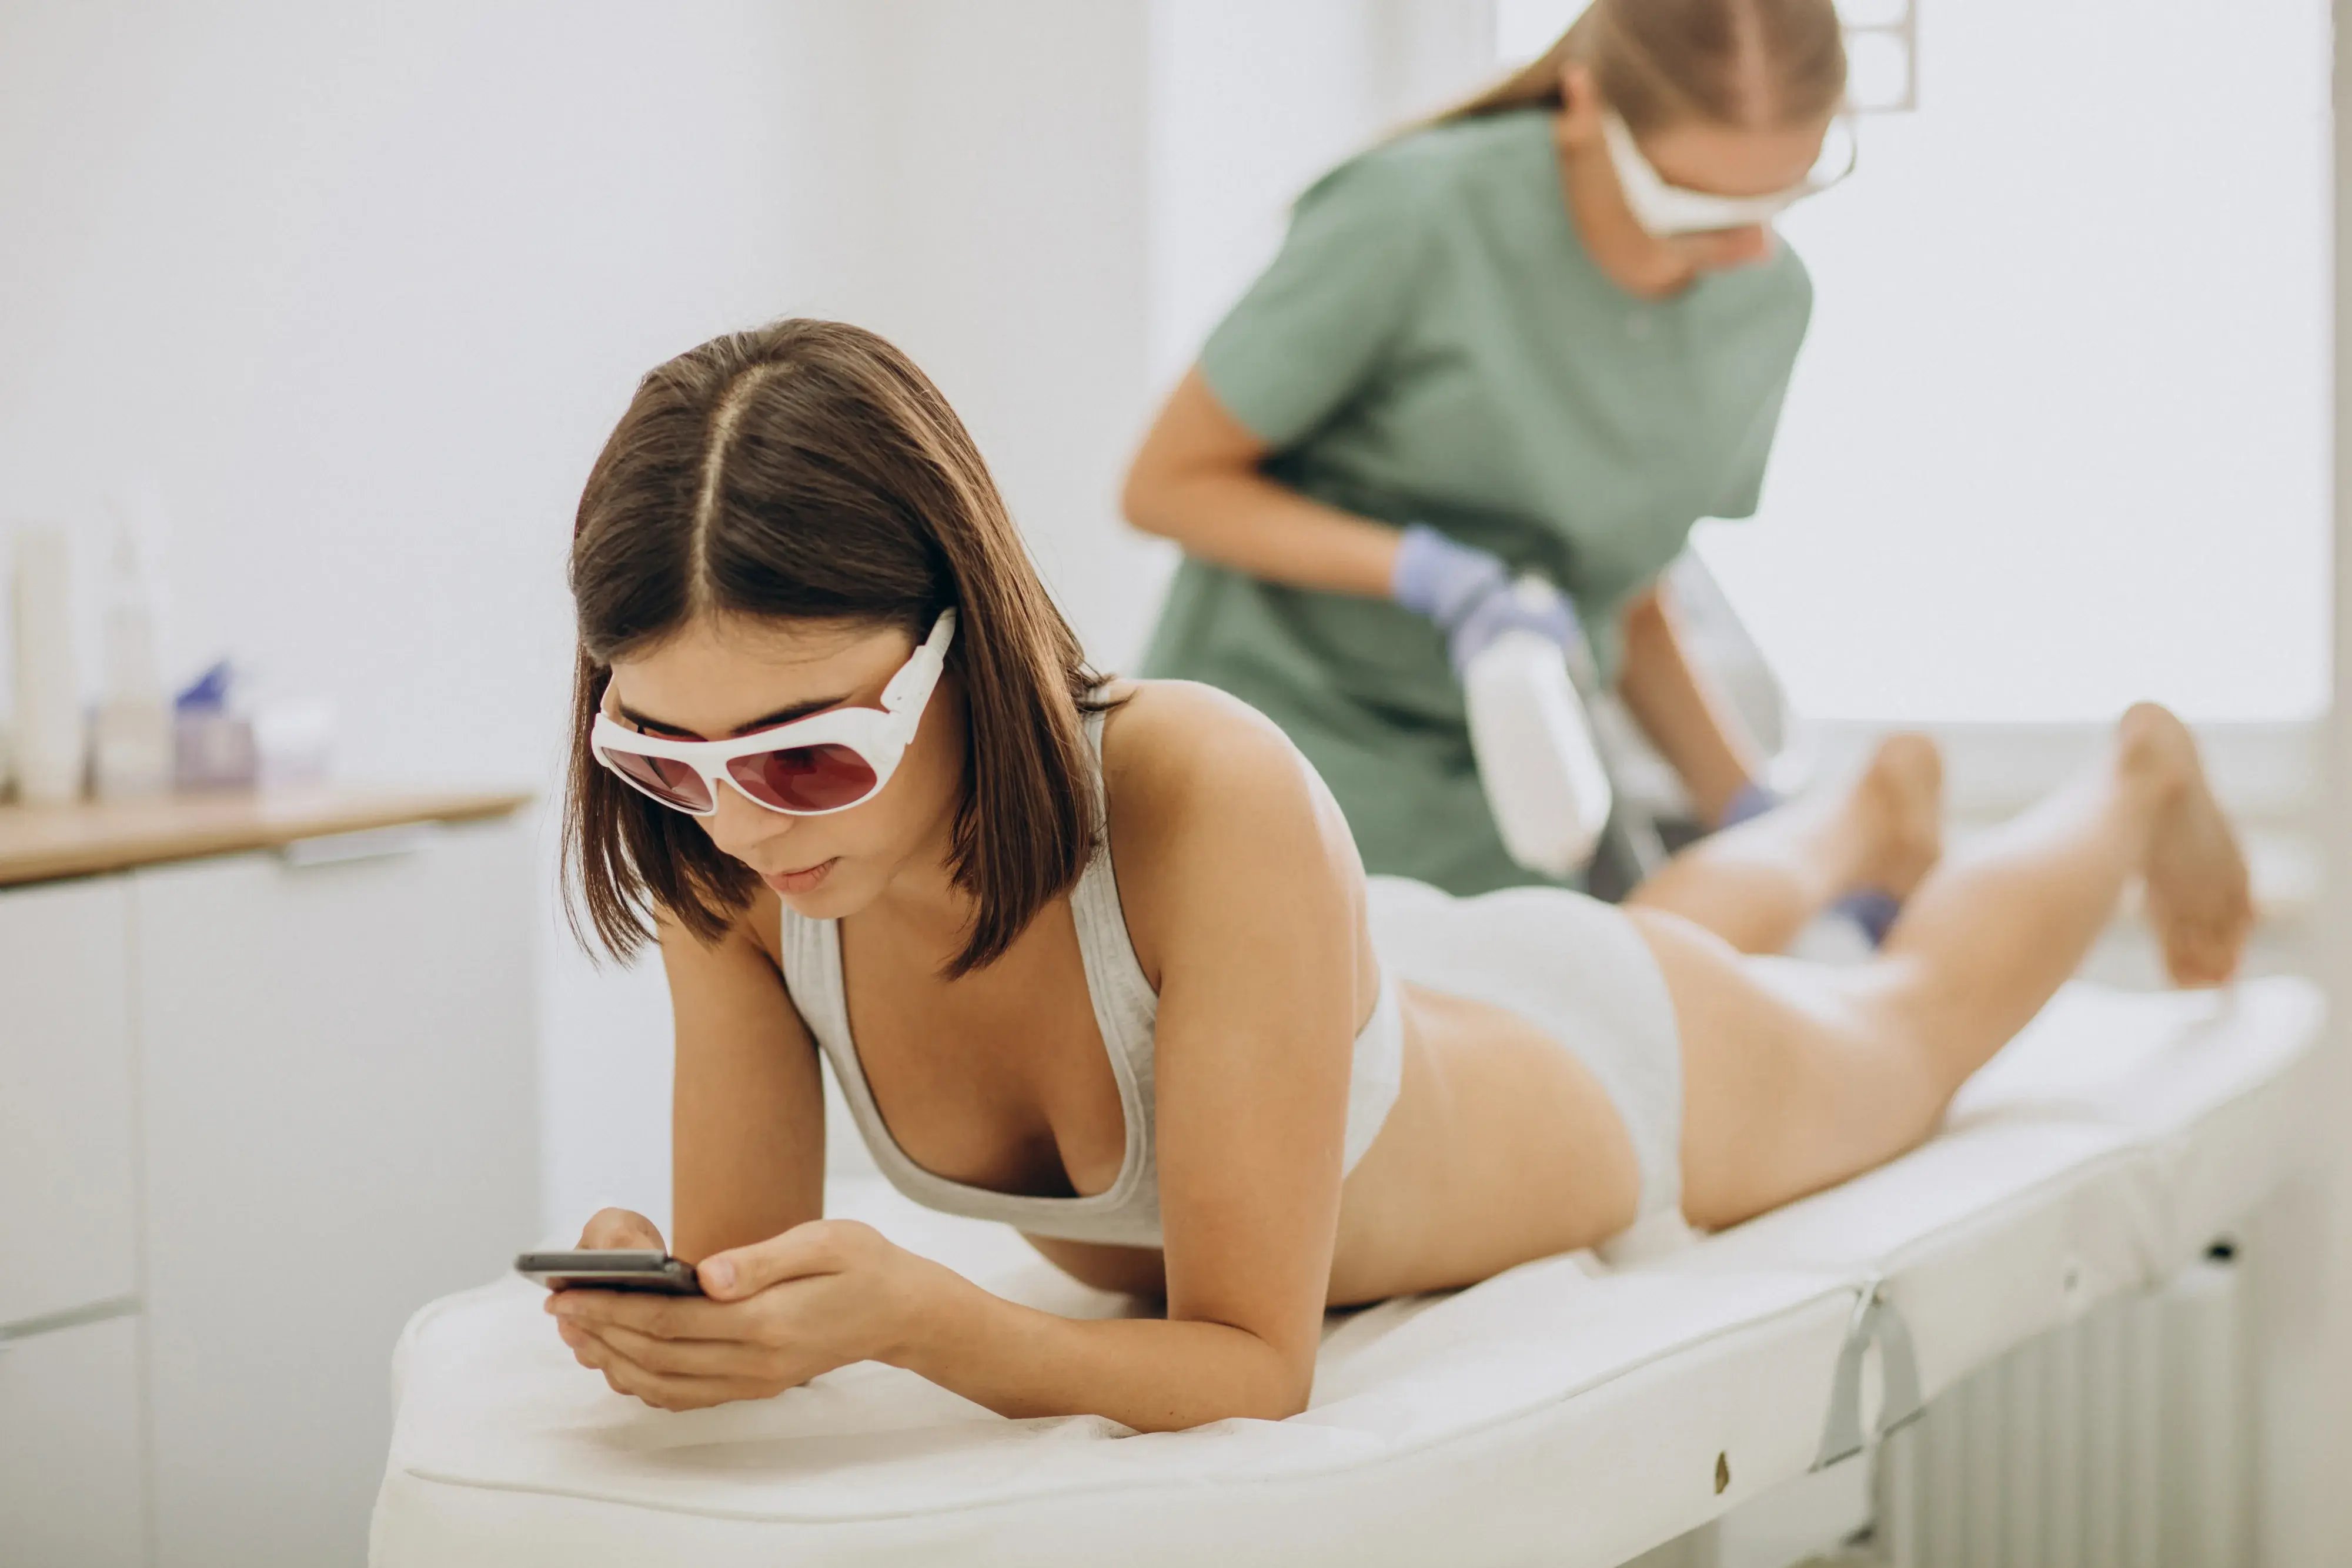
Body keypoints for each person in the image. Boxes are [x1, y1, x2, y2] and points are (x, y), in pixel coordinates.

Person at [548, 319, 2251, 1434]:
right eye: (661, 753)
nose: (742, 822)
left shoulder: (1202, 788)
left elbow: (1250, 1359)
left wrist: (923, 1319)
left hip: (1604, 1073)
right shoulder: (731, 865)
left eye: (804, 753)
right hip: (1361, 1005)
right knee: (1636, 930)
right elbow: (754, 1268)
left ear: (962, 647)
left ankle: (2130, 781)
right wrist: (677, 1301)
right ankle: (1846, 830)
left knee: (1909, 1015)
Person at [1124, 0, 1917, 945]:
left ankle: (1899, 829)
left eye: (1785, 198)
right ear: (1585, 106)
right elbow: (1165, 483)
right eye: (1703, 207)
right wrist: (1425, 574)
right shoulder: (1412, 218)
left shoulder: (1767, 303)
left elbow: (1630, 593)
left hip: (1510, 803)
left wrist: (1752, 812)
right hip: (1275, 755)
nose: (1749, 249)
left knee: (1612, 1013)